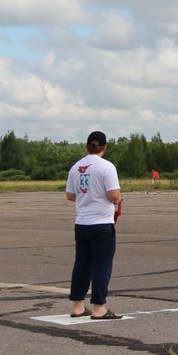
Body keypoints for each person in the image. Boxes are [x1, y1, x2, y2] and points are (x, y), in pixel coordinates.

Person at [65, 131, 123, 319]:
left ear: (87, 146)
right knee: (101, 265)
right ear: (104, 147)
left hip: (82, 223)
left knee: (81, 264)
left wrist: (87, 197)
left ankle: (77, 306)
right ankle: (99, 307)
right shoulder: (107, 167)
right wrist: (118, 199)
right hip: (101, 224)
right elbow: (113, 195)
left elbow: (70, 195)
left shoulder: (75, 167)